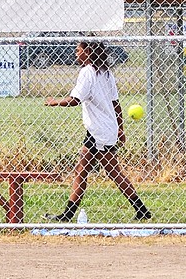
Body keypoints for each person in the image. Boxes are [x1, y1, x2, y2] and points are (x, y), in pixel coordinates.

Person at [43, 41, 151, 222]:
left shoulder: (88, 72)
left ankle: (141, 210)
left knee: (109, 173)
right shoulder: (106, 73)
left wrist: (54, 102)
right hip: (103, 129)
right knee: (84, 171)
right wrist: (120, 129)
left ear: (88, 52)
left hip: (98, 131)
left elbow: (75, 99)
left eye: (78, 50)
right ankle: (68, 214)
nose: (76, 54)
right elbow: (116, 104)